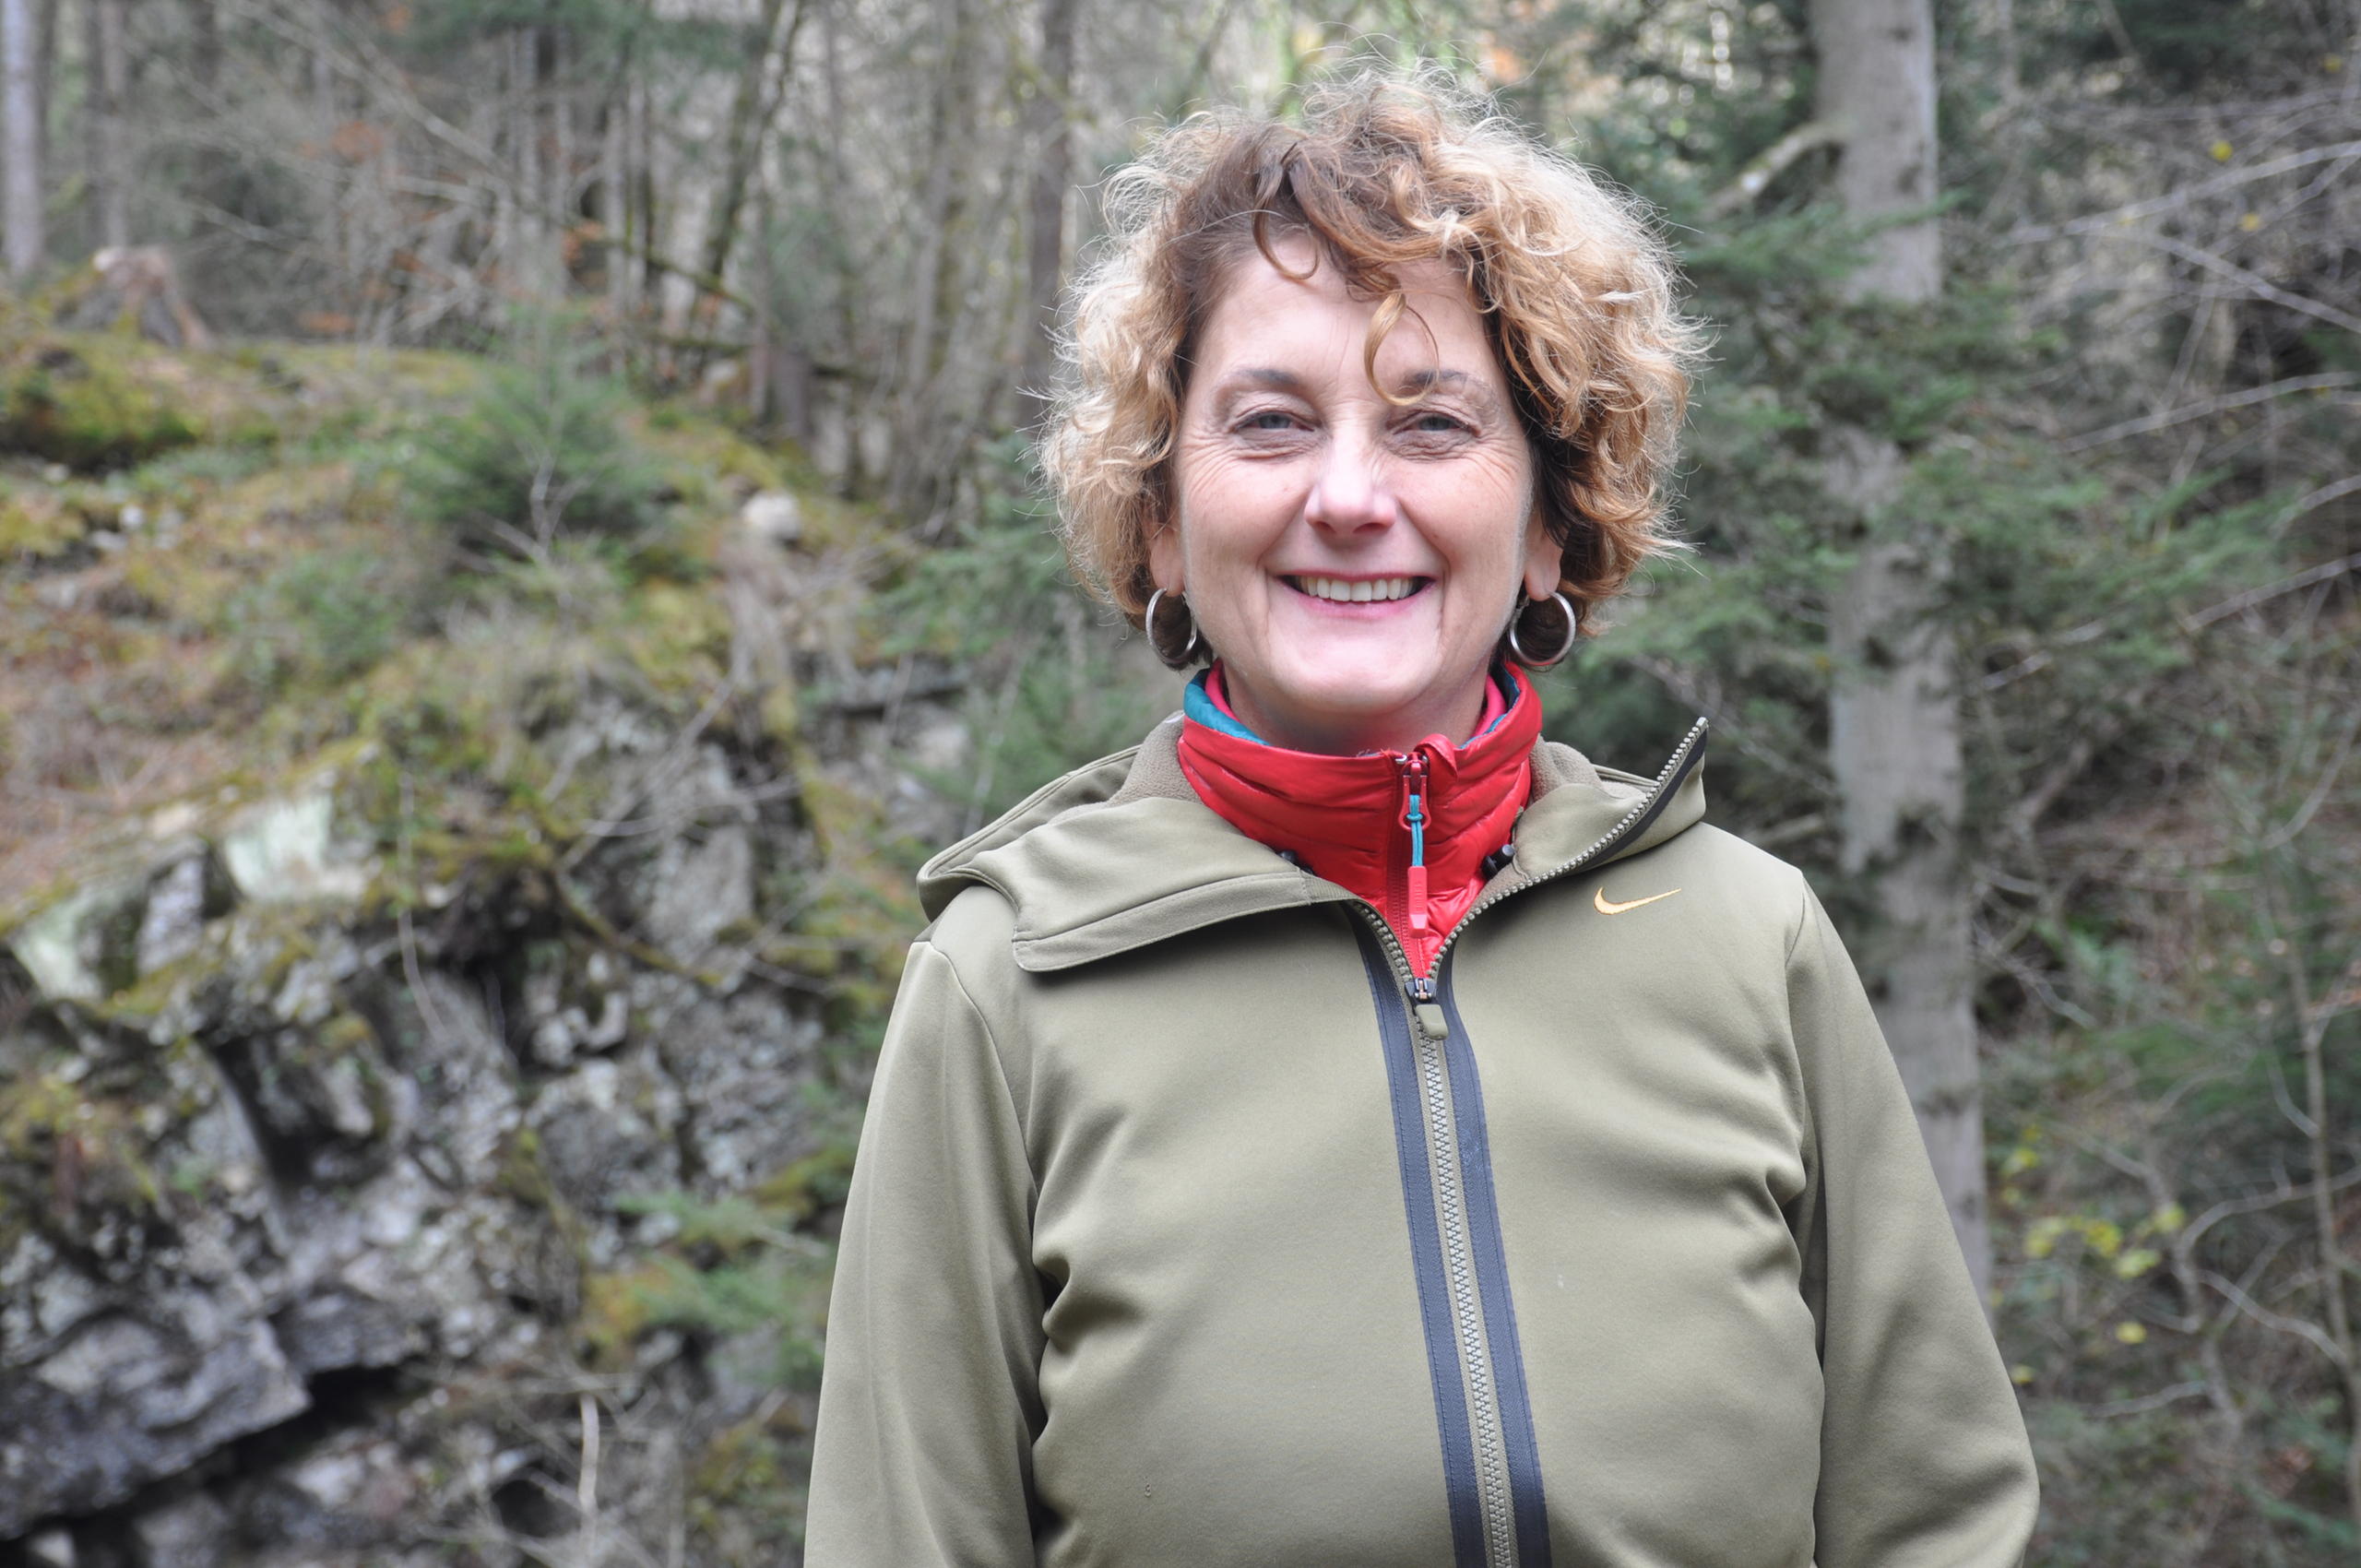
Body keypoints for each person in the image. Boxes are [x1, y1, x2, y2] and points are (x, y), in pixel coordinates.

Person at [805, 70, 2038, 1568]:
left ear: (1547, 524)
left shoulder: (1745, 937)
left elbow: (1938, 1521)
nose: (1346, 495)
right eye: (1268, 423)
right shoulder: (1010, 988)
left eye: (1431, 424)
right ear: (1158, 523)